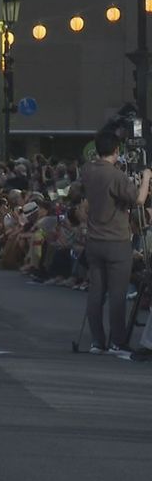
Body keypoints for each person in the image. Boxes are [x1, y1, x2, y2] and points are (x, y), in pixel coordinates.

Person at [79, 129, 150, 355]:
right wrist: (146, 177)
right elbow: (138, 199)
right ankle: (117, 340)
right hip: (117, 240)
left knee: (96, 292)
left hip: (94, 239)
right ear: (117, 150)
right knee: (117, 294)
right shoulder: (116, 175)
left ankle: (97, 341)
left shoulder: (88, 170)